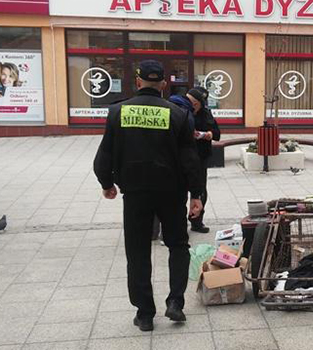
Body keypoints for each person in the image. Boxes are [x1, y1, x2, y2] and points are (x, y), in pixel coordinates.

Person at [93, 60, 204, 332]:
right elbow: (190, 161)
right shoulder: (178, 115)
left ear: (138, 82)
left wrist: (107, 182)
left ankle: (144, 314)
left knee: (138, 251)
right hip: (171, 192)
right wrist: (196, 195)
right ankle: (175, 302)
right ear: (164, 84)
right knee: (178, 245)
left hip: (135, 194)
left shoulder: (117, 112)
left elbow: (103, 155)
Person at [169, 87, 221, 233]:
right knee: (179, 192)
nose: (196, 107)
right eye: (194, 103)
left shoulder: (205, 113)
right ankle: (176, 225)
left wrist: (207, 134)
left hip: (200, 157)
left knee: (200, 191)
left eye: (198, 104)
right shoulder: (176, 110)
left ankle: (196, 222)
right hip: (179, 159)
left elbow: (217, 133)